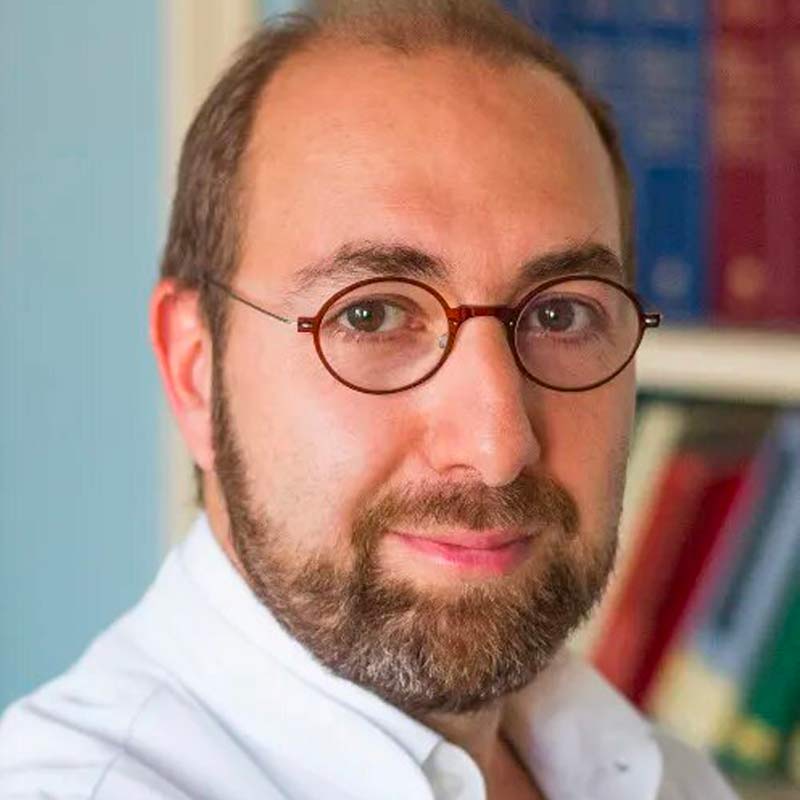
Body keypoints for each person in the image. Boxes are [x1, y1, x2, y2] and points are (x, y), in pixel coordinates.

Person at [0, 2, 737, 798]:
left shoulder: (670, 778)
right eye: (372, 315)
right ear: (195, 369)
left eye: (561, 314)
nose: (497, 447)